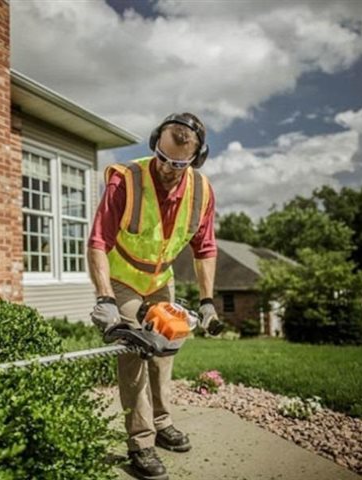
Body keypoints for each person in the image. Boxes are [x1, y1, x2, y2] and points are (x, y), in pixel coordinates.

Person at [87, 112, 221, 480]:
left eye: (178, 163)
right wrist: (105, 299)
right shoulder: (126, 181)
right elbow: (98, 241)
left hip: (160, 279)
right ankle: (141, 443)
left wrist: (207, 302)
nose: (167, 167)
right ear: (154, 145)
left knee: (164, 352)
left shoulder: (202, 192)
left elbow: (204, 248)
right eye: (162, 157)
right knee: (134, 353)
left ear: (197, 158)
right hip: (122, 277)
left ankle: (163, 424)